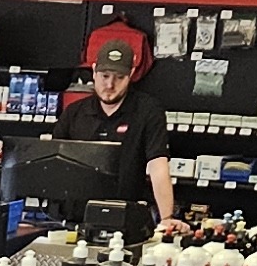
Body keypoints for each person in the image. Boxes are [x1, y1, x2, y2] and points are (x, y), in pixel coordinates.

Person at [56, 22, 181, 232]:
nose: (110, 85)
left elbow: (158, 165)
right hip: (76, 219)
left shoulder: (148, 111)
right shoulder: (74, 113)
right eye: (105, 76)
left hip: (126, 219)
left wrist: (166, 217)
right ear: (94, 71)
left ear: (131, 74)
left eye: (119, 77)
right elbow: (55, 166)